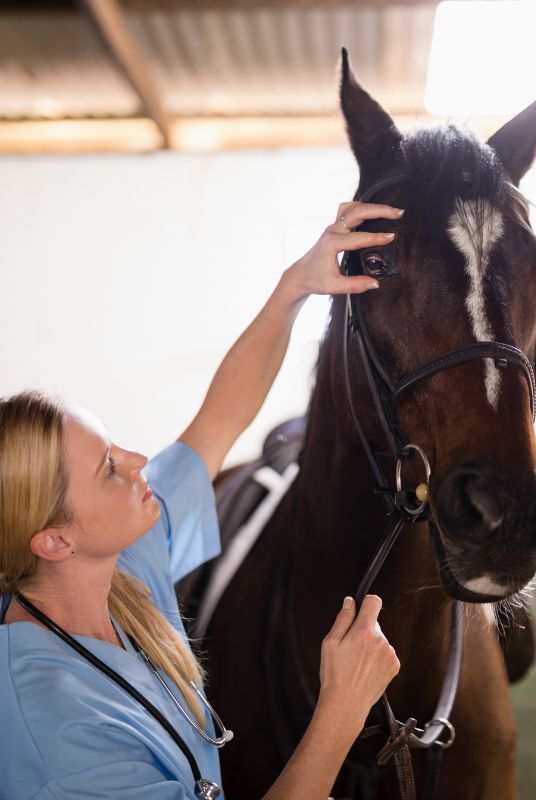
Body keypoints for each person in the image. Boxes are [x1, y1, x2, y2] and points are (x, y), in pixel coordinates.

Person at [0, 200, 404, 800]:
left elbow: (219, 422)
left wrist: (297, 285)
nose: (139, 460)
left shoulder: (124, 567)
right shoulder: (55, 727)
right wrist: (343, 709)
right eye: (108, 468)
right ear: (56, 539)